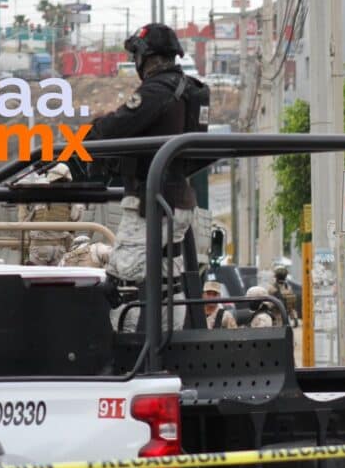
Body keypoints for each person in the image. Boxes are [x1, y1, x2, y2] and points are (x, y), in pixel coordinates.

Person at [88, 23, 210, 332]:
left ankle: (126, 355)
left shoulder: (158, 91)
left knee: (122, 281)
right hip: (178, 202)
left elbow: (115, 128)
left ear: (146, 57)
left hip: (151, 204)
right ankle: (167, 352)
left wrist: (94, 130)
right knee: (167, 283)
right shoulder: (191, 90)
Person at [19, 163, 85, 266]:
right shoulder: (72, 199)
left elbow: (24, 221)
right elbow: (76, 223)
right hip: (60, 248)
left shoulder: (38, 194)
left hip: (39, 246)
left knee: (36, 279)